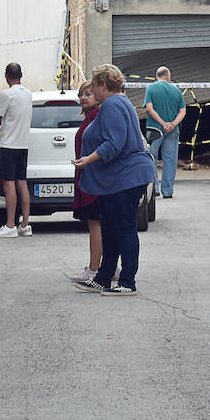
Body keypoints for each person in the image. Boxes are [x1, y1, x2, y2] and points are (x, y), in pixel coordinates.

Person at [71, 64, 156, 296]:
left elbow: (114, 144)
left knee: (124, 227)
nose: (91, 90)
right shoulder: (121, 102)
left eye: (94, 86)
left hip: (127, 176)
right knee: (109, 226)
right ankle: (104, 277)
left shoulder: (111, 105)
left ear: (103, 86)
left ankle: (128, 282)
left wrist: (87, 159)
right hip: (118, 178)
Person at [0, 62, 33, 238]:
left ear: (6, 76)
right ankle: (25, 224)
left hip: (8, 145)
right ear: (22, 75)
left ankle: (10, 225)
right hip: (23, 145)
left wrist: (1, 122)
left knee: (8, 184)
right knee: (22, 182)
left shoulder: (6, 94)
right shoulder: (28, 94)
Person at [67, 82, 103, 284]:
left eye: (88, 94)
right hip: (88, 175)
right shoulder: (90, 116)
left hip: (94, 177)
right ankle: (104, 266)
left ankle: (94, 269)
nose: (83, 98)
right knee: (97, 224)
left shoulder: (97, 115)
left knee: (95, 224)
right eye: (81, 94)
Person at [144, 66, 187, 199]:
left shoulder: (150, 88)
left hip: (154, 129)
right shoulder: (176, 90)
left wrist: (162, 123)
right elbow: (183, 111)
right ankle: (167, 191)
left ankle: (155, 189)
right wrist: (173, 124)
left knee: (152, 158)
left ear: (157, 76)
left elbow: (150, 109)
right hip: (173, 131)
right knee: (170, 160)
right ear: (168, 76)